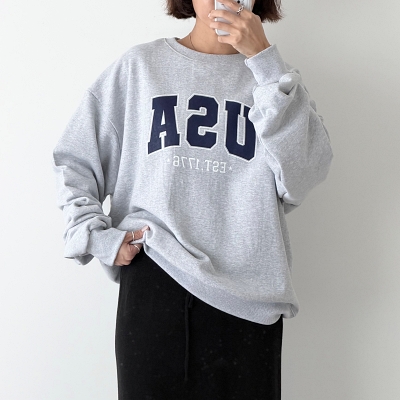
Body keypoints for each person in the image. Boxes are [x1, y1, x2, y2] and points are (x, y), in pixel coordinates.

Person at [52, 0, 333, 398]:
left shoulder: (277, 83)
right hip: (155, 282)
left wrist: (265, 62)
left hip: (250, 301)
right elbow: (75, 159)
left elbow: (303, 177)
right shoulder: (141, 68)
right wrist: (93, 234)